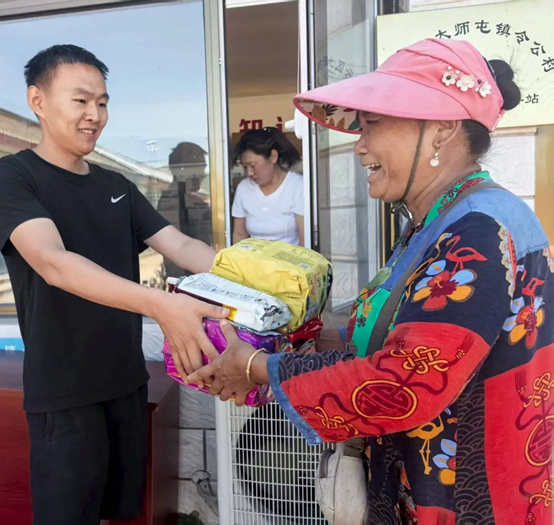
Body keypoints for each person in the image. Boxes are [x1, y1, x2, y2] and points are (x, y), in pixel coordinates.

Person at [189, 39, 553, 523]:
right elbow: (411, 335)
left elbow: (406, 381)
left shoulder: (478, 229)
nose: (359, 145)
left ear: (442, 129)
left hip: (466, 501)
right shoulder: (445, 217)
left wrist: (258, 367)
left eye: (373, 124)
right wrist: (307, 340)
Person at [0, 45, 228, 525]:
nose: (94, 115)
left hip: (125, 382)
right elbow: (53, 263)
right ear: (37, 101)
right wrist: (161, 305)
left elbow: (180, 244)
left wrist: (252, 275)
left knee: (120, 513)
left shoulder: (116, 184)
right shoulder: (12, 176)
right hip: (64, 392)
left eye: (102, 102)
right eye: (80, 100)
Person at [231, 127, 305, 246]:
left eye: (253, 165)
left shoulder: (297, 186)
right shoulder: (243, 189)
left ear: (273, 157)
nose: (249, 173)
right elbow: (239, 234)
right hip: (254, 256)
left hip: (289, 257)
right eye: (245, 167)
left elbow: (304, 237)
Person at [157, 142, 213, 278]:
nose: (203, 175)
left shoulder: (194, 201)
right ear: (182, 171)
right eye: (199, 169)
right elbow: (175, 248)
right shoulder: (170, 202)